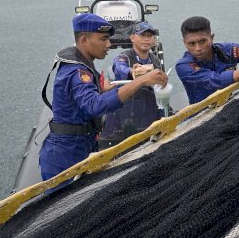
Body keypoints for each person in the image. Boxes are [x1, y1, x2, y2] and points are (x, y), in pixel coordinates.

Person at [39, 13, 168, 181]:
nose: (108, 44)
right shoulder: (76, 71)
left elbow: (82, 98)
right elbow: (94, 106)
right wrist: (142, 80)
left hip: (79, 146)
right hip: (66, 156)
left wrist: (103, 88)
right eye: (103, 39)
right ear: (84, 40)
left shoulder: (82, 65)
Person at [99, 21, 164, 146]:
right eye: (142, 35)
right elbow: (118, 67)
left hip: (148, 110)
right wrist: (131, 71)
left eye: (150, 36)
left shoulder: (155, 60)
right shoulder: (125, 57)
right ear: (132, 38)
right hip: (124, 111)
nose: (146, 39)